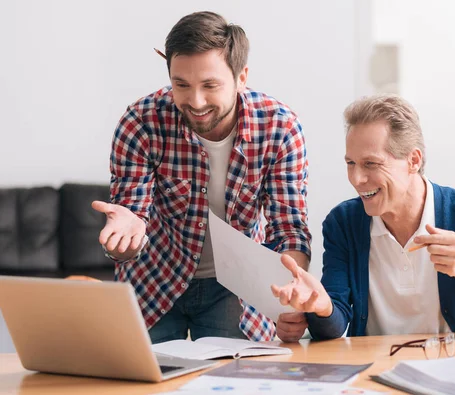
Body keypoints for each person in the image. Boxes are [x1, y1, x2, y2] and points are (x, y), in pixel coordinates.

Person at [92, 11, 311, 343]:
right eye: (181, 84)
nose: (195, 101)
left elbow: (289, 230)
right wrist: (125, 240)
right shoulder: (141, 122)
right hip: (153, 280)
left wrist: (292, 290)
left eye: (210, 85)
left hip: (234, 288)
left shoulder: (280, 128)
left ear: (241, 77)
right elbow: (129, 219)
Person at [271, 94, 455, 342]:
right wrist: (322, 306)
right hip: (374, 371)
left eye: (370, 164)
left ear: (413, 160)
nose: (356, 179)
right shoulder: (343, 223)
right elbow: (332, 325)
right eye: (350, 163)